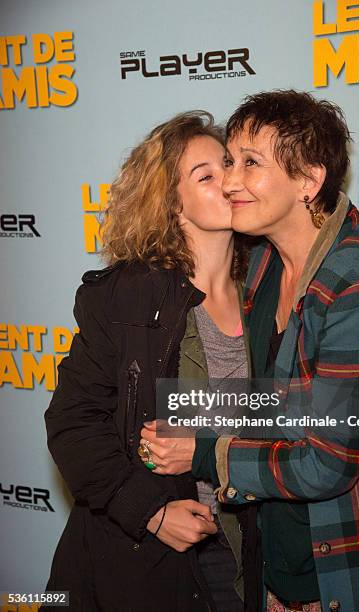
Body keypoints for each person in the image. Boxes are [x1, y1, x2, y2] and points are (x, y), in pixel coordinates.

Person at [140, 91, 359, 612]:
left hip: (340, 567)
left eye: (251, 164)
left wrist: (200, 451)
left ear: (309, 181)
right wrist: (176, 414)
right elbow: (276, 400)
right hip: (274, 562)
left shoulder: (355, 284)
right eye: (229, 162)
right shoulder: (263, 259)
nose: (231, 181)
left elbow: (326, 464)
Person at [43, 111, 251, 612]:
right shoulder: (127, 297)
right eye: (206, 174)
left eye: (228, 163)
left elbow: (290, 409)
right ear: (170, 203)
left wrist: (202, 442)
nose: (229, 179)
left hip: (247, 544)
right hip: (151, 554)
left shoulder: (267, 288)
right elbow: (72, 424)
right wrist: (152, 512)